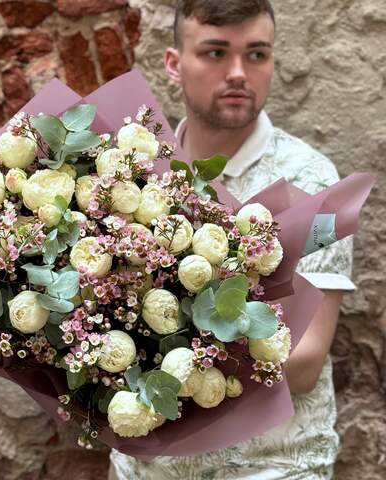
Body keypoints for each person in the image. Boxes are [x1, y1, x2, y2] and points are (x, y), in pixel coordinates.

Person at [109, 1, 355, 478]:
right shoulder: (128, 172)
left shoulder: (312, 182)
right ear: (174, 63)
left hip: (272, 466)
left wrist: (157, 351)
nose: (239, 73)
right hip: (147, 468)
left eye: (257, 55)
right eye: (216, 53)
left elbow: (303, 362)